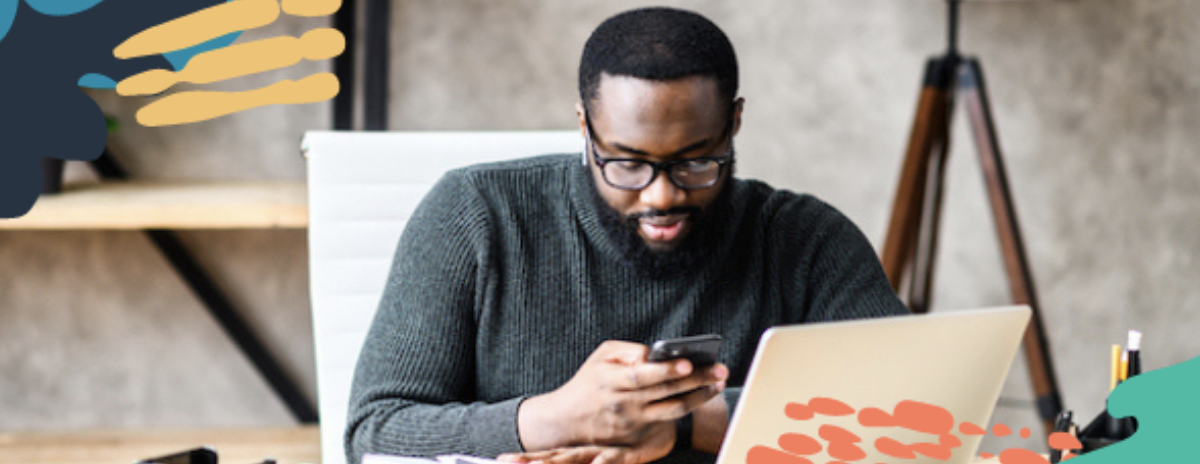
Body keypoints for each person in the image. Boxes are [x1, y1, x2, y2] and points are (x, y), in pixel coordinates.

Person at [345, 7, 908, 464]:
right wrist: (555, 419)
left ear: (733, 124)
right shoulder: (475, 216)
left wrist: (686, 424)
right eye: (627, 163)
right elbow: (373, 431)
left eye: (695, 162)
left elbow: (918, 410)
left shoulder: (805, 240)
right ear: (585, 127)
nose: (661, 196)